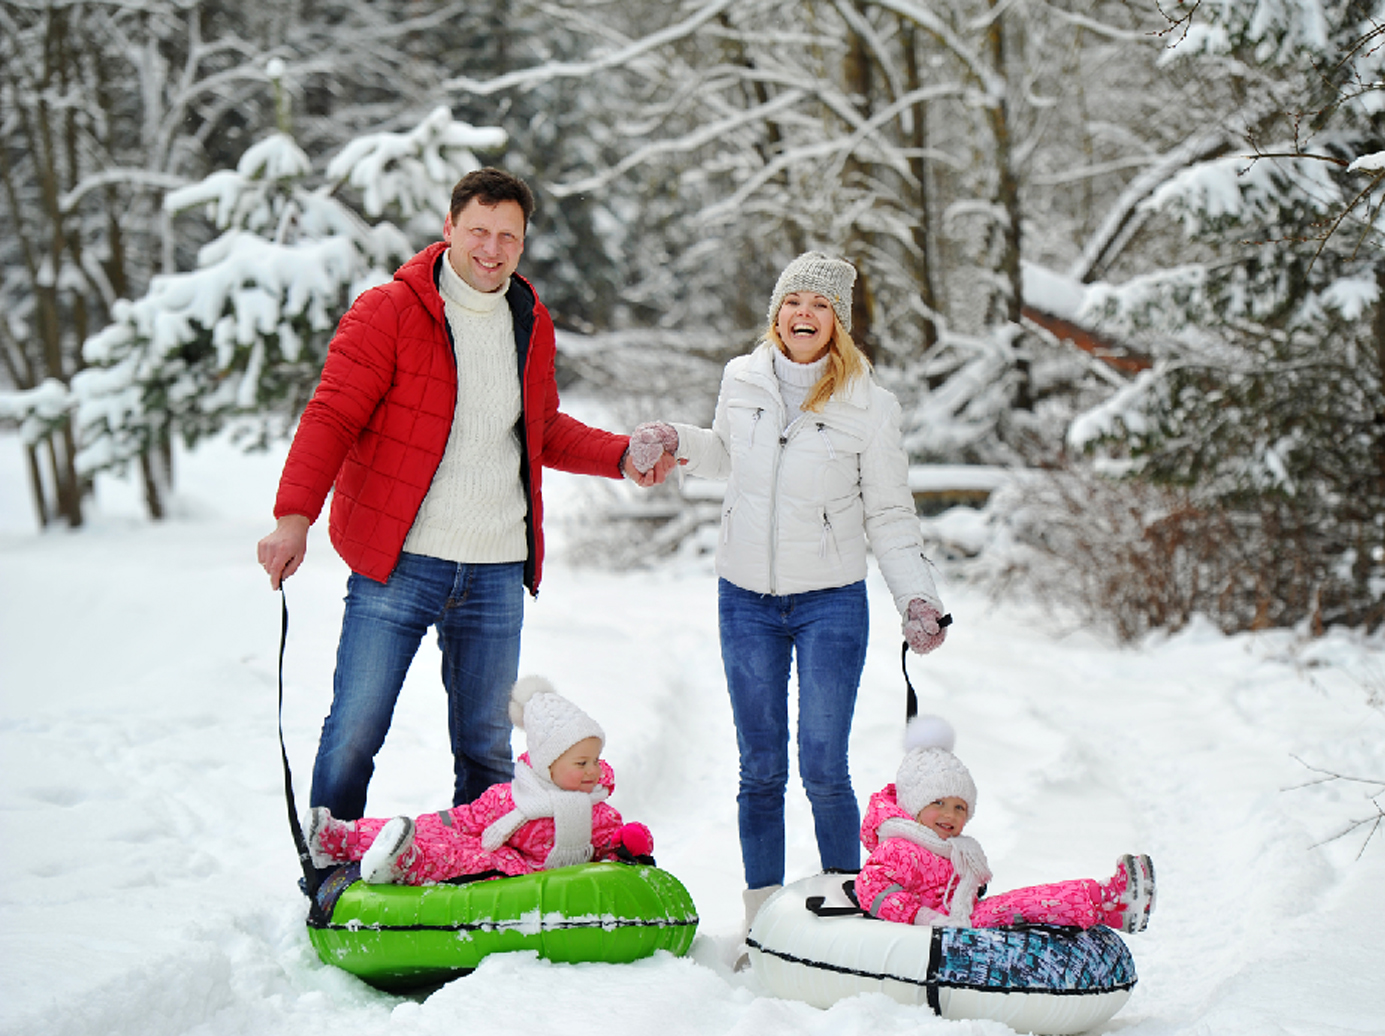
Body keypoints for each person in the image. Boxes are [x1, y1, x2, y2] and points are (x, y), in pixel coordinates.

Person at [257, 168, 675, 822]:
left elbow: (540, 428)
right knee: (357, 727)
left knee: (484, 746)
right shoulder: (388, 310)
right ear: (449, 228)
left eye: (508, 236)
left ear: (523, 242)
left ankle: (481, 872)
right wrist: (293, 517)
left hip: (495, 568)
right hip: (401, 560)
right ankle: (328, 863)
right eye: (478, 230)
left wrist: (620, 455)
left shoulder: (526, 318)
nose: (492, 248)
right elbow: (330, 416)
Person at [626, 251, 949, 935]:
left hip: (830, 601)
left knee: (823, 764)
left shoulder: (868, 404)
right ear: (777, 312)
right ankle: (764, 920)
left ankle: (847, 914)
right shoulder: (741, 378)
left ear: (838, 322)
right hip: (745, 598)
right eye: (792, 301)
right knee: (760, 767)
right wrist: (672, 438)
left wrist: (915, 597)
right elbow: (722, 453)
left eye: (819, 305)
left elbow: (890, 513)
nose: (803, 313)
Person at [304, 677, 654, 885]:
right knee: (441, 834)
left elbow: (611, 847)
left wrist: (630, 847)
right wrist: (430, 825)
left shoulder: (597, 812)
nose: (593, 771)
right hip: (501, 852)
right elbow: (468, 819)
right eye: (582, 763)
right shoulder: (511, 797)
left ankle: (404, 863)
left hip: (519, 876)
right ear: (548, 765)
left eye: (594, 760)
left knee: (465, 859)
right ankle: (342, 839)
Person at [854, 716, 1155, 932]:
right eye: (938, 804)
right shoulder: (899, 847)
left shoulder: (953, 850)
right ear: (914, 807)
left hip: (960, 917)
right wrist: (923, 917)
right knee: (1022, 905)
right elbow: (872, 888)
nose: (951, 815)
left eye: (960, 807)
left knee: (1028, 902)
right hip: (942, 928)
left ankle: (1110, 907)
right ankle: (1109, 900)